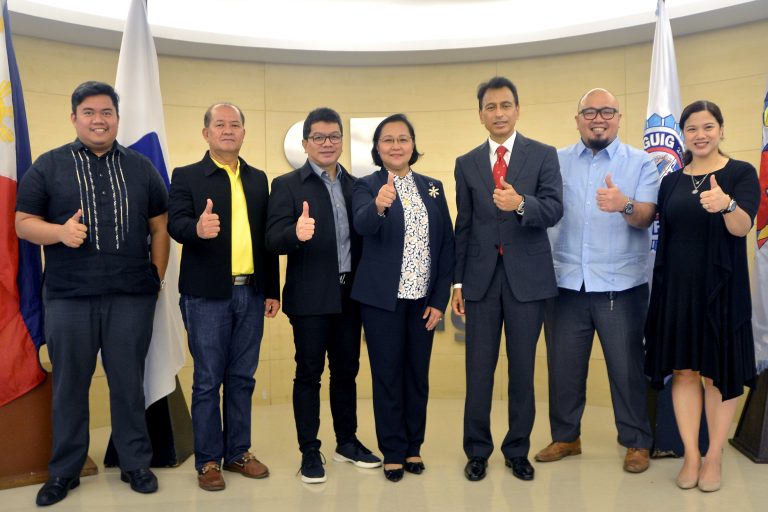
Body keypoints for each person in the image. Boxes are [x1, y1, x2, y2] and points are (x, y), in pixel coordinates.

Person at [16, 81, 169, 506]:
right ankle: (64, 471)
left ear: (118, 118)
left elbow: (160, 226)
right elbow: (23, 222)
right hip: (67, 298)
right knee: (69, 387)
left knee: (127, 385)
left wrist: (155, 279)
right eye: (89, 112)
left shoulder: (141, 167)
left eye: (106, 112)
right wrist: (60, 232)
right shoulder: (49, 165)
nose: (98, 120)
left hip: (131, 298)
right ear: (74, 118)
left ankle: (135, 463)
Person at [536, 88, 657, 473]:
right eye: (589, 112)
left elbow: (646, 216)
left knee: (626, 369)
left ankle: (636, 441)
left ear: (619, 118)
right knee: (564, 368)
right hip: (566, 283)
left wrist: (622, 203)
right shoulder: (554, 161)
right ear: (578, 119)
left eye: (607, 111)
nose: (598, 118)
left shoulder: (641, 163)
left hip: (621, 286)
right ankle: (566, 437)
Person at [645, 100, 759, 492]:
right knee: (684, 371)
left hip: (721, 289)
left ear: (721, 130)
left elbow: (743, 227)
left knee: (715, 373)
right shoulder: (671, 181)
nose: (701, 134)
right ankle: (691, 455)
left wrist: (726, 204)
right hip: (677, 288)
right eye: (692, 129)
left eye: (708, 127)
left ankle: (714, 456)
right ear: (683, 135)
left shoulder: (741, 172)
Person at [452, 76, 563, 482]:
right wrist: (457, 284)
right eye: (490, 107)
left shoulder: (543, 155)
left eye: (505, 105)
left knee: (522, 370)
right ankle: (477, 451)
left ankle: (518, 450)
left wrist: (521, 204)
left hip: (528, 282)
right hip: (480, 283)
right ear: (480, 114)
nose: (498, 113)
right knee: (478, 372)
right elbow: (462, 225)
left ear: (517, 109)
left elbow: (553, 209)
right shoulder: (466, 163)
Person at [167, 103, 280, 491]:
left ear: (244, 133)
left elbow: (267, 240)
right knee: (207, 380)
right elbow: (175, 225)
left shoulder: (258, 178)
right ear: (206, 133)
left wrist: (271, 290)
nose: (228, 130)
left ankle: (237, 453)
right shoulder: (186, 176)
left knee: (242, 378)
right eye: (220, 124)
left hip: (251, 292)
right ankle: (208, 461)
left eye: (235, 125)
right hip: (206, 297)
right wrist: (197, 227)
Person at [266, 107, 381, 484]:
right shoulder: (286, 185)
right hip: (310, 297)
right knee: (309, 373)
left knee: (347, 372)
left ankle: (346, 442)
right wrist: (293, 234)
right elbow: (271, 239)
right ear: (305, 143)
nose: (327, 143)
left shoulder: (357, 185)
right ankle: (309, 450)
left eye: (334, 136)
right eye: (319, 137)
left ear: (342, 142)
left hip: (351, 295)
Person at [350, 114, 454, 482]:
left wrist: (439, 300)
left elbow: (446, 247)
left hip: (422, 301)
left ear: (413, 145)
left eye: (403, 139)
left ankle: (414, 446)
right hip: (382, 301)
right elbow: (362, 226)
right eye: (388, 140)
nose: (396, 146)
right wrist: (379, 204)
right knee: (388, 376)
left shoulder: (433, 187)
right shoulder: (365, 186)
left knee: (416, 376)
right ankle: (392, 450)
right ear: (377, 148)